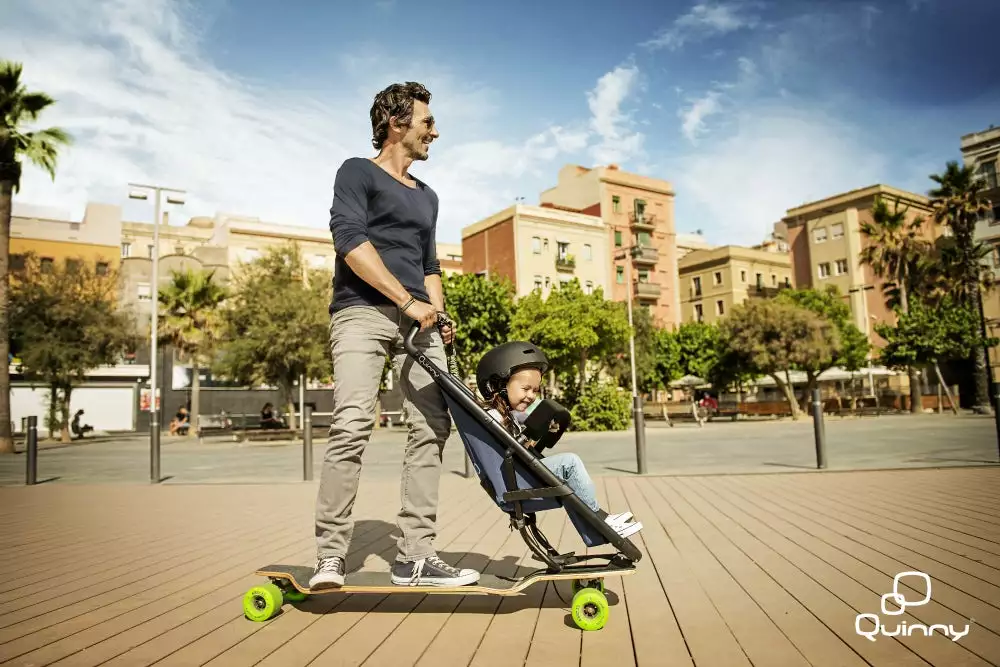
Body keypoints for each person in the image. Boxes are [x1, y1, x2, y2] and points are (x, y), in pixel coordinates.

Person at [310, 81, 479, 591]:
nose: (436, 131)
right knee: (353, 423)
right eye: (428, 122)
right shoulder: (356, 171)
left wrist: (438, 316)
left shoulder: (428, 197)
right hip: (361, 312)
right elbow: (350, 242)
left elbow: (430, 267)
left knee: (432, 427)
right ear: (396, 123)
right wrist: (404, 300)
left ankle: (416, 557)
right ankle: (331, 556)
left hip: (420, 320)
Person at [476, 342, 643, 539]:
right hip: (514, 481)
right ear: (499, 385)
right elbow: (504, 451)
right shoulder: (492, 416)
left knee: (569, 478)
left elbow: (518, 446)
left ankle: (597, 527)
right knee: (569, 463)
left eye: (535, 390)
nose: (531, 396)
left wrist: (541, 431)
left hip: (517, 475)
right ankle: (600, 523)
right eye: (525, 388)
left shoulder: (509, 415)